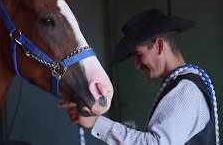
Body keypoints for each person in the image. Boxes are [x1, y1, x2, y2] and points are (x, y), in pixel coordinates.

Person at [59, 9, 219, 145]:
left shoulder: (186, 90)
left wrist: (95, 122)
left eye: (138, 54)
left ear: (159, 45)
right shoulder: (182, 86)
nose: (136, 64)